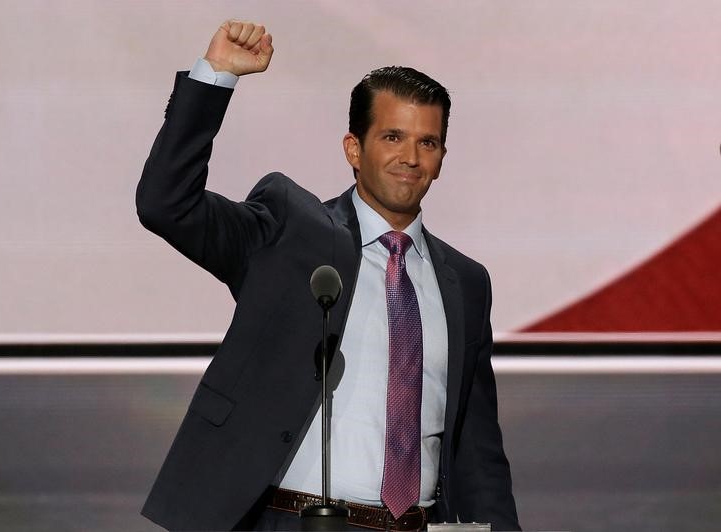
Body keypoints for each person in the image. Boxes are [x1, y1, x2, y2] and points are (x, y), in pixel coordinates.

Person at [136, 19, 520, 532]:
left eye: (428, 143)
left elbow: (477, 451)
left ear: (442, 159)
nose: (410, 157)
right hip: (292, 521)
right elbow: (166, 204)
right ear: (353, 149)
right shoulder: (291, 232)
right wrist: (217, 77)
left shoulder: (467, 284)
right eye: (392, 137)